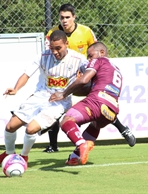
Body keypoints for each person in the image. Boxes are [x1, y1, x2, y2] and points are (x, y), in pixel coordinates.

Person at [43, 3, 135, 153]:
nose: (64, 21)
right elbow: (49, 53)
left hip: (85, 73)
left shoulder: (86, 32)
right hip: (62, 72)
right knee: (56, 102)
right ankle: (55, 146)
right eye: (61, 18)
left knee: (74, 106)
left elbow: (97, 51)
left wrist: (87, 72)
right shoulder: (53, 33)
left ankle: (117, 129)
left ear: (74, 17)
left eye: (67, 17)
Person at [0, 30, 89, 165]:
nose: (54, 52)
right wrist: (16, 88)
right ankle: (9, 153)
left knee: (31, 129)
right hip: (40, 96)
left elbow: (90, 74)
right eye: (52, 48)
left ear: (66, 44)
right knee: (10, 127)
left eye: (58, 48)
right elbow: (27, 74)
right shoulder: (43, 55)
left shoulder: (79, 59)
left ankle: (23, 157)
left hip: (59, 103)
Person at [49, 42, 124, 165]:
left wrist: (63, 94)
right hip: (112, 109)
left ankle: (81, 143)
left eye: (90, 56)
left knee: (67, 120)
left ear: (101, 53)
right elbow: (88, 89)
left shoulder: (99, 61)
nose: (89, 59)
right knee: (95, 125)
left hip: (97, 101)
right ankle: (74, 156)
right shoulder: (115, 68)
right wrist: (74, 89)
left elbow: (84, 81)